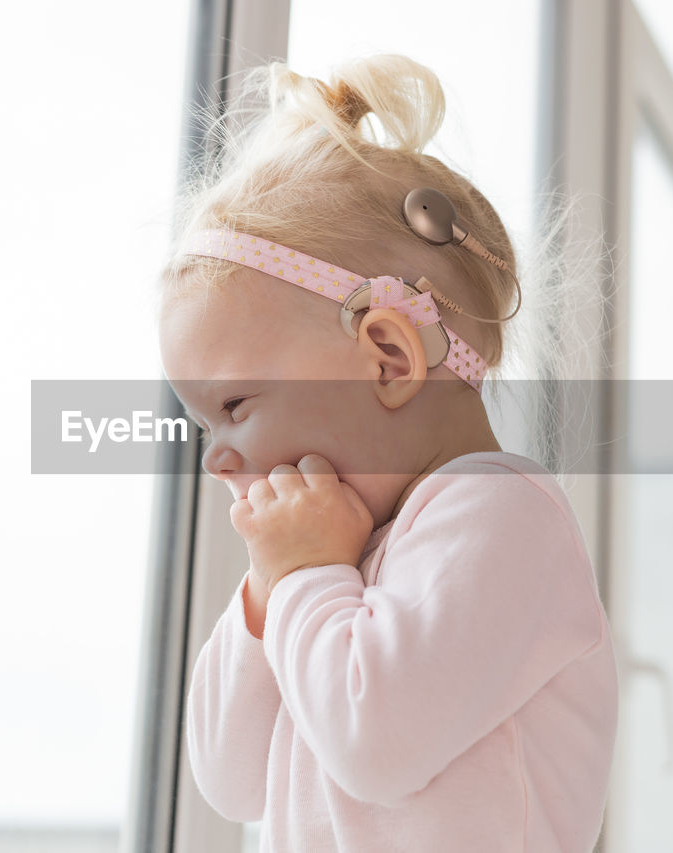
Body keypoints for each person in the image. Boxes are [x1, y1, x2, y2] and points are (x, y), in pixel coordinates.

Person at [156, 53, 618, 852]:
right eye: (203, 427)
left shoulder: (503, 516)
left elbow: (377, 743)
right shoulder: (335, 559)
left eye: (234, 407)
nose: (217, 461)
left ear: (389, 358)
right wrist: (272, 592)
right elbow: (228, 777)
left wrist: (303, 572)